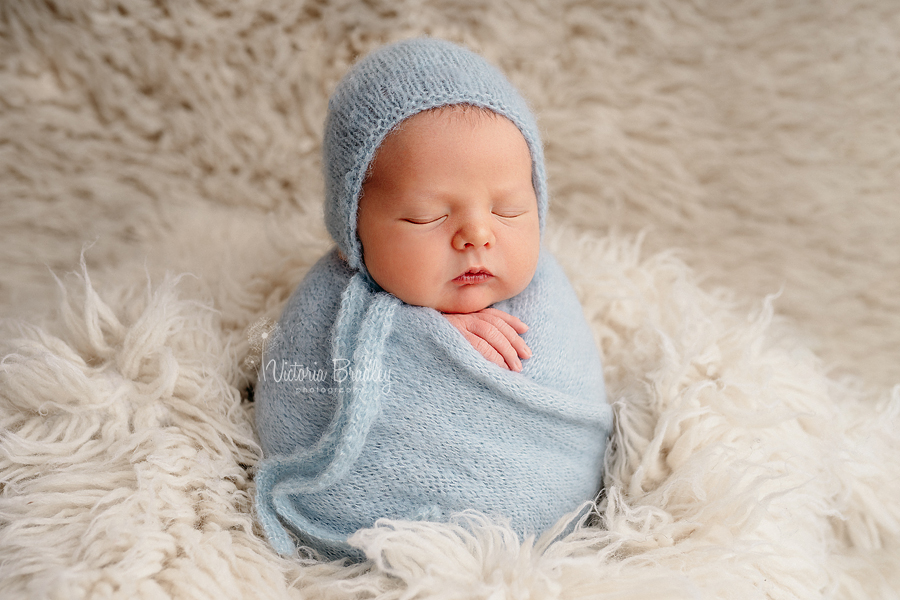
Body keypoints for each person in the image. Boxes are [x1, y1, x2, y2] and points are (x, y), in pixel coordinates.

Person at [254, 38, 613, 560]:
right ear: (354, 226)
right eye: (428, 217)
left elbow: (573, 398)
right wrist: (416, 337)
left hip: (541, 528)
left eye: (509, 209)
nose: (477, 236)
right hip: (379, 524)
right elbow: (296, 403)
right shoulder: (331, 305)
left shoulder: (547, 299)